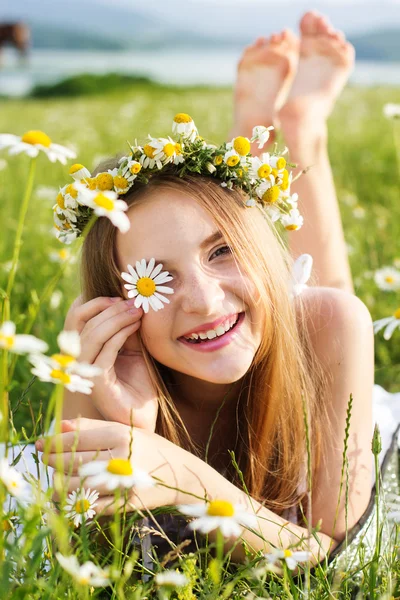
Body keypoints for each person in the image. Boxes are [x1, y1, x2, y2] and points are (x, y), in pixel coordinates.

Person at [29, 12, 398, 569]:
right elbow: (78, 559)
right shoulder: (98, 350)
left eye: (220, 249)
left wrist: (186, 479)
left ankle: (298, 127)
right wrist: (127, 425)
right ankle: (275, 126)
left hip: (326, 380)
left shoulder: (324, 322)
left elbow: (341, 557)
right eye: (157, 274)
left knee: (328, 307)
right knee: (296, 304)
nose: (201, 299)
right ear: (117, 302)